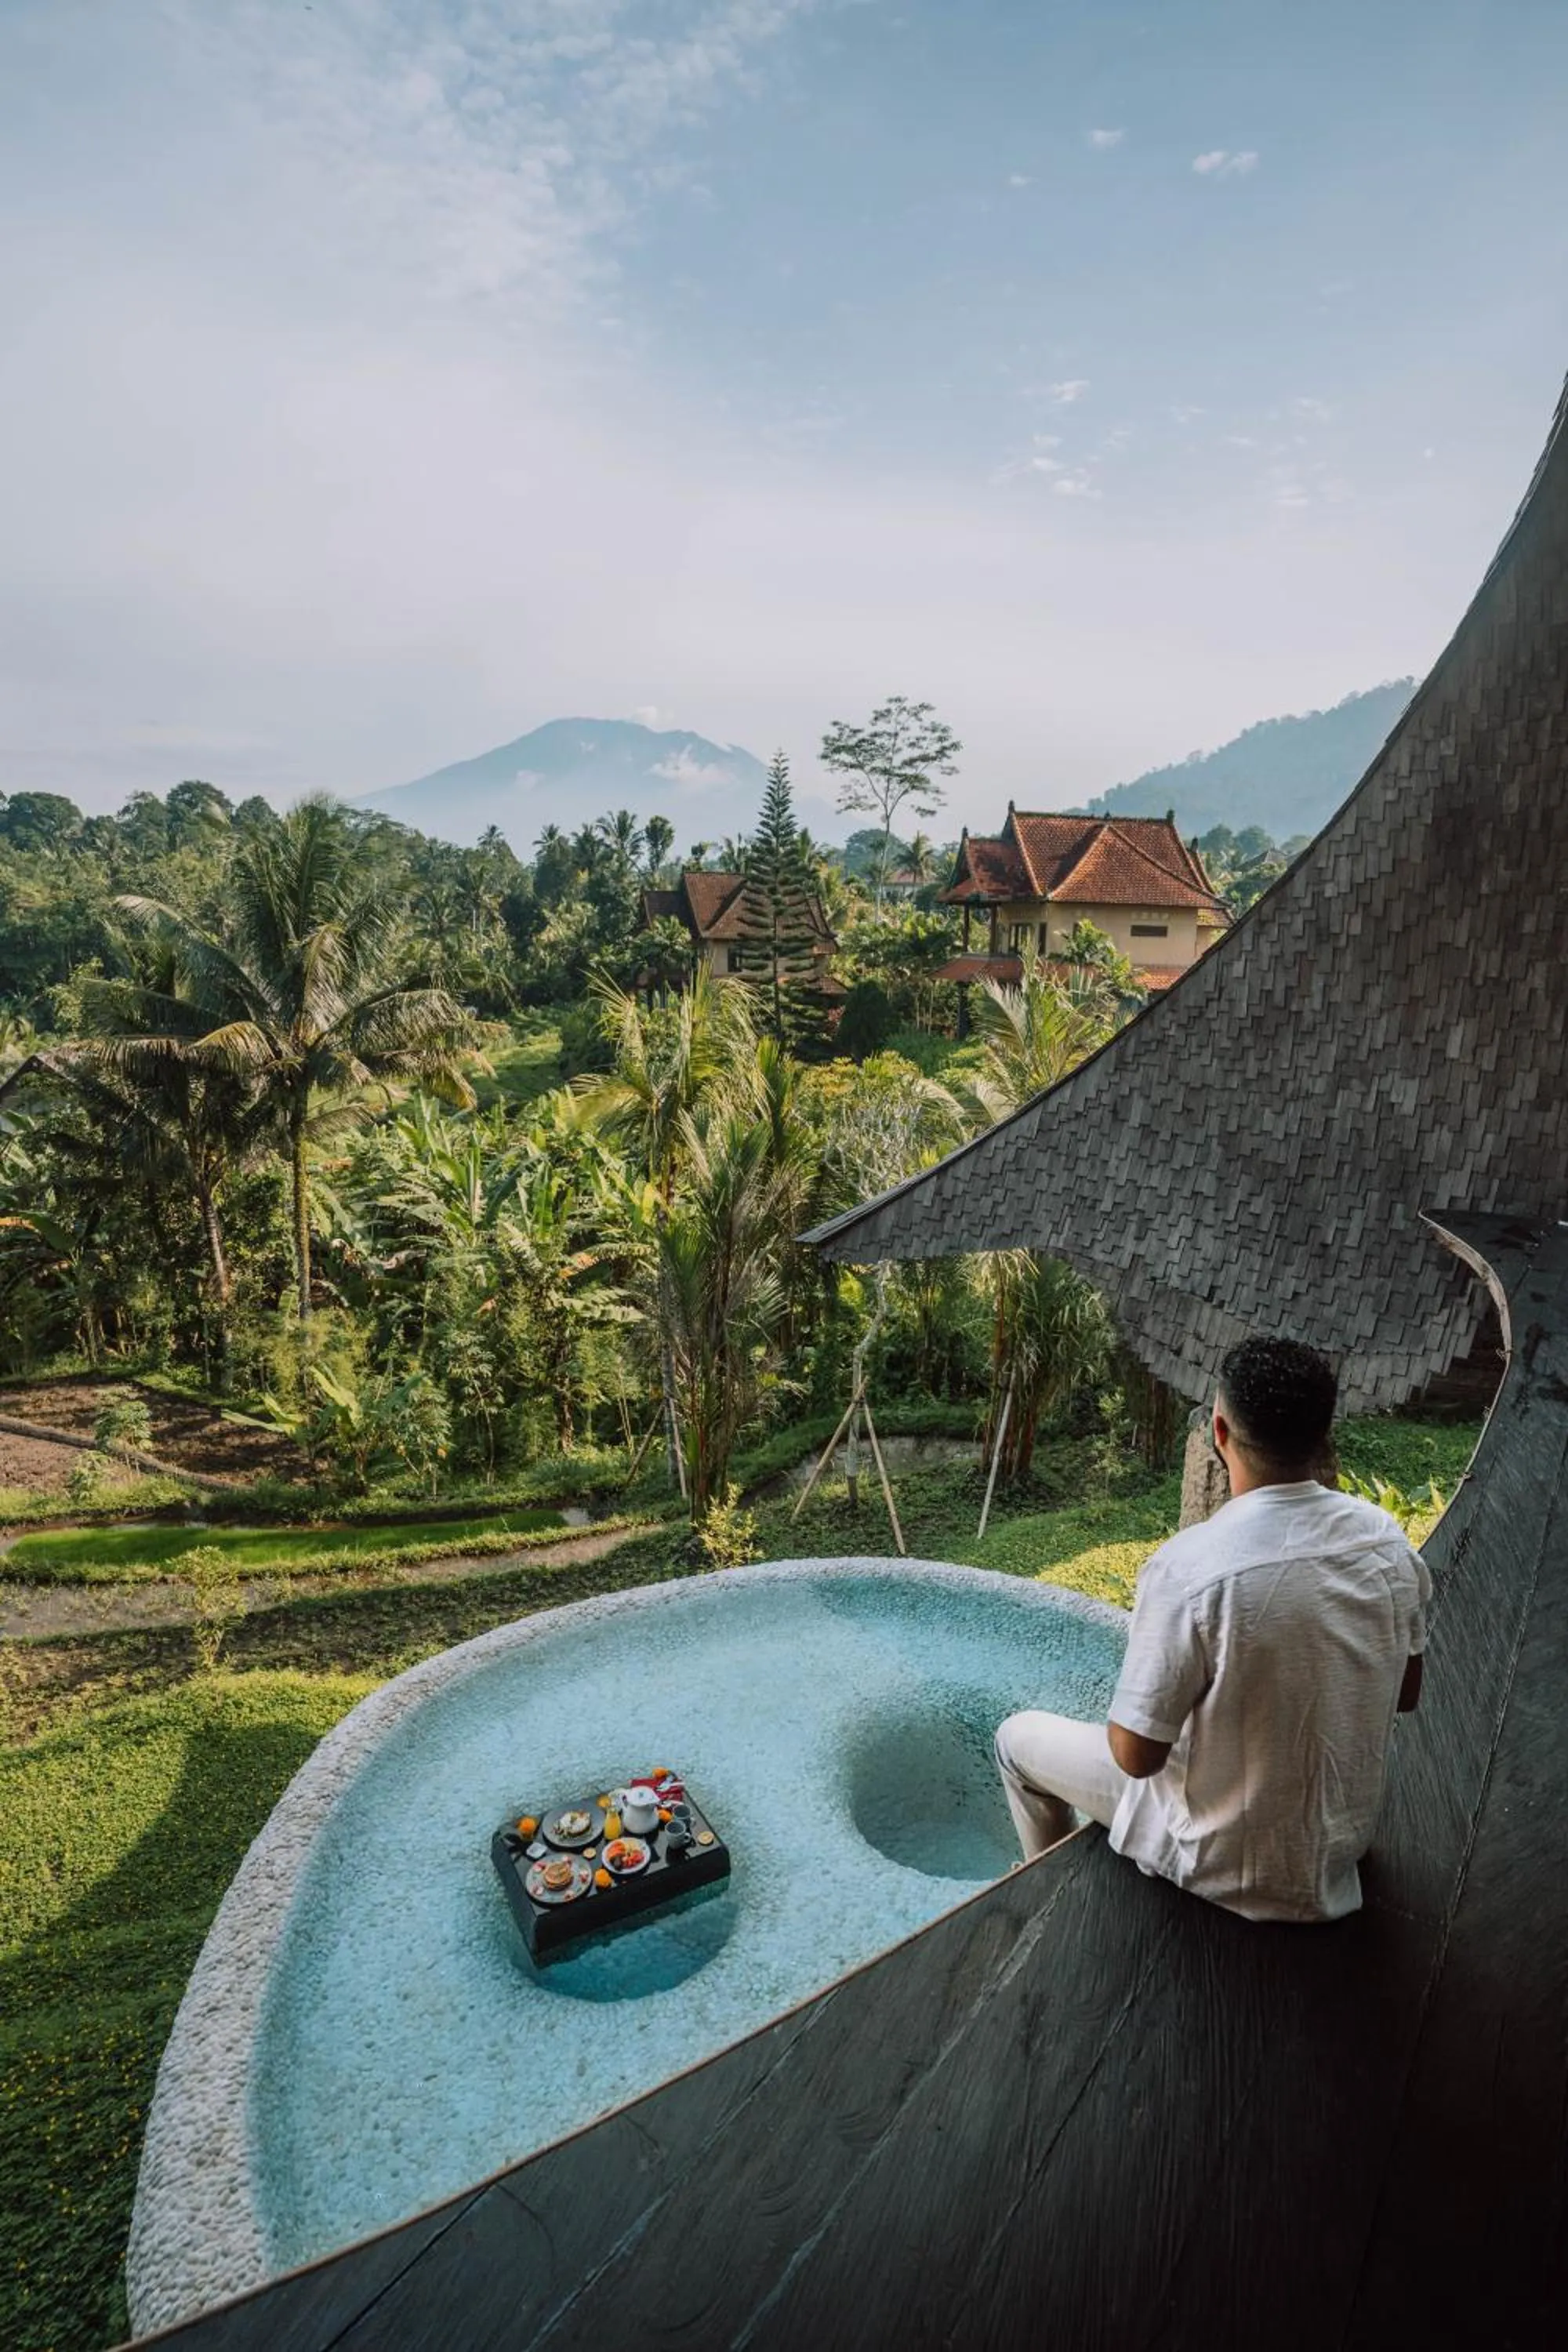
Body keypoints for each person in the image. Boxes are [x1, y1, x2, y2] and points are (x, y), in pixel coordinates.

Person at [993, 1335, 1431, 1923]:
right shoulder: (1387, 1542)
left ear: (1219, 1435)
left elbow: (1136, 1757)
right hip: (1334, 1852)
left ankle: (1043, 1907)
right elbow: (1405, 1693)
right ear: (1324, 1435)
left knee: (1016, 1740)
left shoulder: (1190, 1567)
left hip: (1221, 1864)